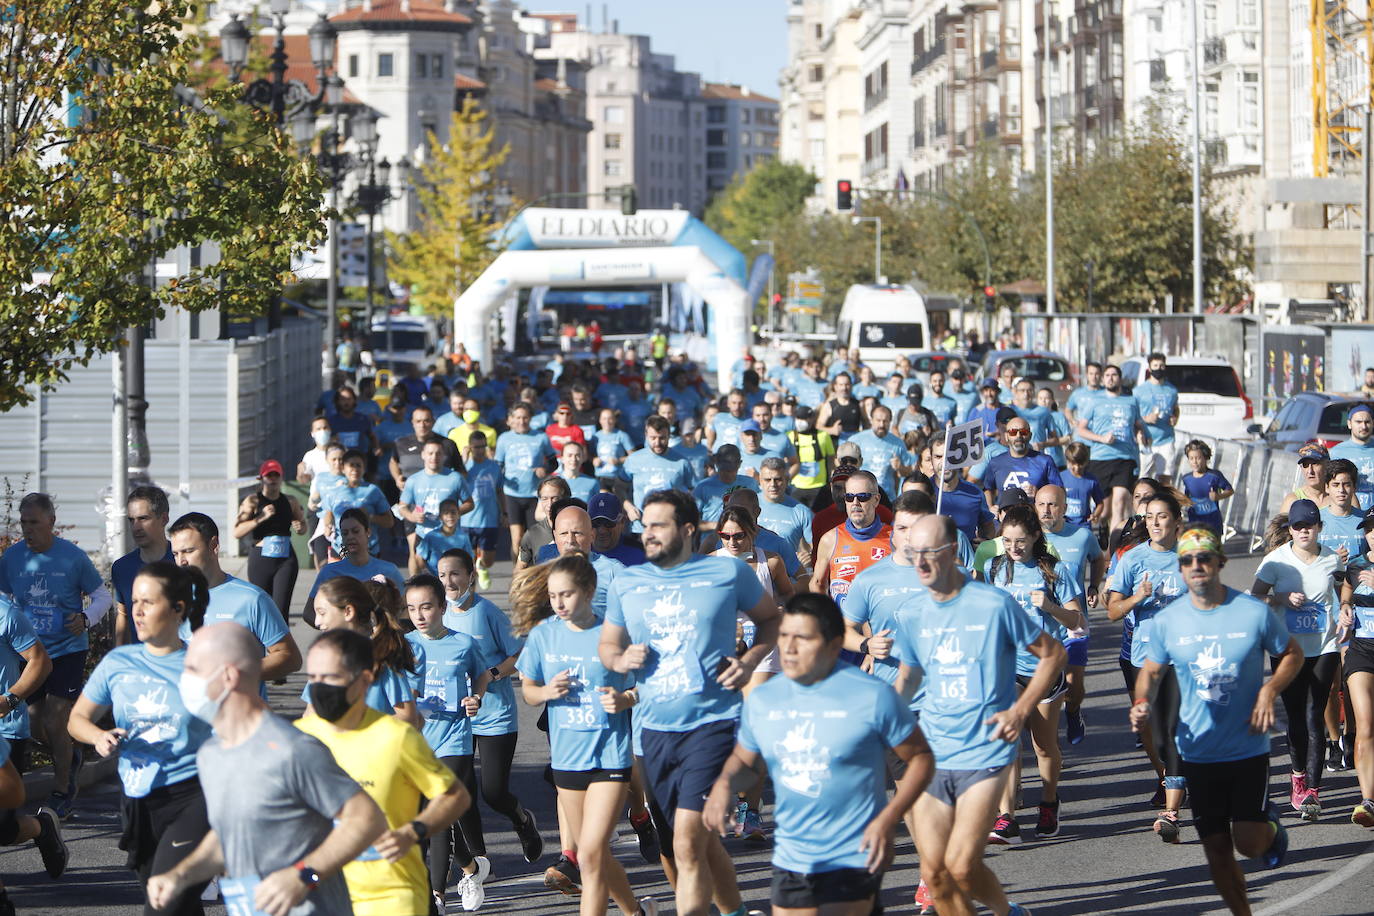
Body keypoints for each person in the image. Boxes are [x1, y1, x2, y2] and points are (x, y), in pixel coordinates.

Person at [599, 490, 781, 916]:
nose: (649, 533)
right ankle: (734, 911)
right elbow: (608, 644)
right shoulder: (628, 580)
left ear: (685, 530)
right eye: (645, 525)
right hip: (653, 732)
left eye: (659, 525)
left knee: (685, 841)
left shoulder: (728, 573)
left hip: (712, 725)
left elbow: (771, 620)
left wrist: (751, 658)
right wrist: (621, 657)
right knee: (696, 840)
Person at [703, 593, 934, 916]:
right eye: (784, 635)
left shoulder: (872, 695)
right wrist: (725, 785)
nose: (789, 647)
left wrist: (889, 818)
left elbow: (922, 758)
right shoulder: (765, 699)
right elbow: (744, 760)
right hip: (791, 856)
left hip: (853, 852)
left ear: (834, 643)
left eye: (803, 638)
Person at [146, 622, 387, 916]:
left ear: (228, 676)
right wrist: (180, 875)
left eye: (193, 668)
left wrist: (304, 875)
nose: (182, 678)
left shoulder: (290, 749)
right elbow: (230, 837)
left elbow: (367, 819)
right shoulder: (211, 755)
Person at [891, 515, 1065, 916]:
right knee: (936, 876)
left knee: (962, 867)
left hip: (985, 752)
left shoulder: (992, 604)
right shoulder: (912, 612)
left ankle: (1005, 911)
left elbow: (1052, 655)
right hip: (934, 753)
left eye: (928, 554)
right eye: (911, 553)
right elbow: (908, 676)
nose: (918, 563)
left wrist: (1021, 709)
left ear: (953, 553)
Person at [1131, 525, 1302, 914]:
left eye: (1204, 558)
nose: (1196, 566)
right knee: (1218, 852)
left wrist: (1269, 690)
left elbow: (1291, 654)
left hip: (1247, 748)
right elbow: (1151, 669)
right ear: (1180, 568)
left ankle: (1271, 829)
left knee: (1249, 844)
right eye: (1188, 560)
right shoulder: (1169, 621)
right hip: (1198, 753)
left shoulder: (1252, 611)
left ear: (1220, 563)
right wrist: (1142, 700)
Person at [512, 555, 657, 916]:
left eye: (567, 595)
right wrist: (546, 692)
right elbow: (528, 689)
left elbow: (647, 688)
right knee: (597, 856)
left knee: (590, 855)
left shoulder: (613, 634)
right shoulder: (544, 634)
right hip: (567, 759)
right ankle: (635, 912)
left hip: (610, 755)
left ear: (590, 591)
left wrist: (624, 699)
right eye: (553, 596)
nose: (558, 604)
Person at [69, 562, 214, 914]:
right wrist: (99, 737)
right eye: (134, 601)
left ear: (178, 608)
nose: (137, 610)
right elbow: (76, 719)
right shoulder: (119, 662)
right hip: (137, 799)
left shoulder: (202, 664)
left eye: (148, 602)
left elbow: (239, 729)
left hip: (193, 796)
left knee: (162, 903)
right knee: (176, 903)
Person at [296, 629, 469, 916]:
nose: (319, 687)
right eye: (313, 678)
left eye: (330, 678)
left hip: (391, 895)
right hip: (324, 893)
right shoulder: (298, 739)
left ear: (363, 681)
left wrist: (413, 831)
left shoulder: (396, 737)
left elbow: (455, 797)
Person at [0, 492, 112, 818]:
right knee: (35, 725)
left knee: (55, 718)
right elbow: (4, 596)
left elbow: (101, 596)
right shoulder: (12, 558)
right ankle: (71, 754)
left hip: (67, 650)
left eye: (34, 522)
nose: (28, 529)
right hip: (29, 652)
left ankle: (62, 789)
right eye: (23, 523)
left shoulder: (73, 558)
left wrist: (86, 618)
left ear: (51, 522)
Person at [980, 505, 1084, 842]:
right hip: (1005, 670)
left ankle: (1049, 802)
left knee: (1043, 746)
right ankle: (1006, 817)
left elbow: (1078, 622)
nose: (1014, 547)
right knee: (1008, 743)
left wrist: (1051, 607)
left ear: (1036, 536)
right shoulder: (994, 569)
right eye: (1007, 540)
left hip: (1043, 670)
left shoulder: (1053, 570)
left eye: (1021, 540)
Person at [437, 549, 545, 867]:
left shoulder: (487, 613)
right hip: (457, 717)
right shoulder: (439, 614)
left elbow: (519, 654)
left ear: (471, 575)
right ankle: (479, 859)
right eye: (442, 575)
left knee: (493, 792)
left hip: (495, 713)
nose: (449, 581)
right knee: (462, 789)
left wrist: (492, 673)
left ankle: (523, 821)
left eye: (455, 573)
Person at [403, 575, 492, 912]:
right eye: (412, 608)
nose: (419, 615)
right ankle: (471, 869)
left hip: (455, 740)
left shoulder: (463, 644)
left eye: (426, 606)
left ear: (442, 606)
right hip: (417, 742)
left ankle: (436, 898)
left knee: (437, 817)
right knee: (428, 819)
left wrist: (476, 698)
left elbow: (481, 675)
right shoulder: (405, 645)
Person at [1251, 500, 1343, 822]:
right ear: (1290, 529)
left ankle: (1314, 793)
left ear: (1319, 526)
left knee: (1314, 713)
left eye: (1310, 525)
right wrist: (1280, 598)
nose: (1304, 530)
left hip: (1324, 645)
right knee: (1295, 717)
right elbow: (1255, 596)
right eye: (1298, 526)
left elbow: (1343, 586)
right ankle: (1298, 775)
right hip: (1288, 649)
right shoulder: (1276, 561)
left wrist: (1345, 608)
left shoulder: (1332, 558)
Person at [1106, 492, 1188, 822]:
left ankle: (1171, 811)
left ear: (1176, 522)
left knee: (1174, 730)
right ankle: (1173, 782)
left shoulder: (1190, 557)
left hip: (1182, 657)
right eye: (1149, 517)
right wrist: (1138, 596)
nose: (1154, 522)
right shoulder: (1132, 559)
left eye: (1162, 516)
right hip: (1145, 658)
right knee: (1155, 731)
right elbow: (1113, 611)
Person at [168, 513, 302, 685]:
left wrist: (235, 674)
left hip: (239, 710)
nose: (181, 561)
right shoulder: (171, 599)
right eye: (175, 554)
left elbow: (290, 657)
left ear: (213, 545)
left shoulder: (251, 598)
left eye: (188, 551)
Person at [1035, 485, 1105, 747]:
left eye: (1052, 505)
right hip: (1041, 627)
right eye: (1041, 504)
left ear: (1065, 508)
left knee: (1074, 687)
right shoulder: (1030, 540)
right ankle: (1048, 746)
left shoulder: (1082, 536)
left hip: (1075, 623)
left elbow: (1098, 559)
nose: (1046, 510)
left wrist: (1094, 585)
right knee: (1045, 692)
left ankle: (1074, 711)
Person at [309, 577, 418, 725]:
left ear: (348, 612)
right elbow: (309, 714)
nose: (316, 622)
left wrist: (356, 727)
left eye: (322, 613)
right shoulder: (321, 660)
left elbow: (408, 717)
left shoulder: (381, 659)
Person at [1078, 365, 1151, 534]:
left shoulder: (1131, 401)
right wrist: (1101, 438)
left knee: (1120, 503)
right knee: (1104, 512)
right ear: (1103, 380)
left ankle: (1113, 554)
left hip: (1125, 457)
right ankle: (1103, 525)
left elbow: (1138, 423)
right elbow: (1081, 429)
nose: (1110, 378)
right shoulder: (1095, 402)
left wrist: (1144, 434)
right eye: (1107, 375)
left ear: (1120, 379)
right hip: (1100, 457)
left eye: (1114, 375)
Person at [232, 461, 306, 627]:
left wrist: (300, 526)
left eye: (276, 475)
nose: (272, 479)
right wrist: (260, 518)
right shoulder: (252, 501)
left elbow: (302, 526)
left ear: (281, 478)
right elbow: (237, 532)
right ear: (261, 478)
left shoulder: (290, 501)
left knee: (281, 610)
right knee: (261, 607)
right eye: (268, 475)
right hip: (261, 559)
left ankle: (284, 650)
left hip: (286, 559)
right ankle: (262, 649)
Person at [306, 509, 407, 625]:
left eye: (355, 531)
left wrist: (389, 629)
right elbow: (309, 612)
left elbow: (406, 608)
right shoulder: (329, 572)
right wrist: (334, 628)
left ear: (368, 532)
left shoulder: (389, 570)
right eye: (345, 533)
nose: (350, 537)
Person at [809, 471, 893, 608]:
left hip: (881, 624)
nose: (855, 503)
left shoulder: (894, 538)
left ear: (876, 500)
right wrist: (828, 617)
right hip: (844, 625)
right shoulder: (830, 539)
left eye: (863, 497)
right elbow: (817, 584)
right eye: (849, 497)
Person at [1338, 509, 1374, 826]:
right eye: (1370, 528)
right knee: (1365, 724)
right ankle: (1367, 801)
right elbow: (1345, 596)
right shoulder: (1357, 566)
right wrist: (1345, 609)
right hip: (1361, 651)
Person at [113, 485, 175, 647]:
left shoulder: (183, 563)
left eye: (143, 518)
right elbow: (123, 616)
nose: (135, 528)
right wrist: (119, 660)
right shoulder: (121, 568)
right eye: (131, 520)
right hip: (139, 664)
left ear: (164, 519)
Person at [397, 440, 474, 565]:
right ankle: (414, 584)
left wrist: (451, 514)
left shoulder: (455, 478)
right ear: (423, 455)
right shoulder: (414, 480)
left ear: (443, 456)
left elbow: (470, 503)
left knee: (448, 568)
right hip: (423, 531)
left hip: (448, 533)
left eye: (438, 453)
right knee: (417, 562)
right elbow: (402, 506)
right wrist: (412, 516)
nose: (434, 457)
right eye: (430, 453)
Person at [495, 403, 557, 553]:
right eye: (518, 417)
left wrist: (545, 469)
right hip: (512, 495)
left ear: (530, 418)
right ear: (511, 419)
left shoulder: (541, 437)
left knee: (534, 537)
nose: (521, 421)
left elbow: (553, 462)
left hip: (534, 495)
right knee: (517, 538)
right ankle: (518, 573)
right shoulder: (504, 438)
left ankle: (533, 571)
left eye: (525, 417)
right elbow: (498, 467)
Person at [319, 449, 394, 561]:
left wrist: (369, 517)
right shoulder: (334, 492)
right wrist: (328, 524)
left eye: (358, 465)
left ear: (364, 469)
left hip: (368, 550)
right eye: (351, 465)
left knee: (364, 579)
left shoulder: (373, 491)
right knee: (339, 578)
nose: (355, 469)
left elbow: (389, 522)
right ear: (343, 468)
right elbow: (328, 512)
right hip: (340, 549)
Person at [622, 417, 695, 526]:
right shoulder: (633, 459)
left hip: (671, 528)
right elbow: (619, 487)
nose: (657, 443)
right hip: (641, 528)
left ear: (669, 435)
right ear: (646, 435)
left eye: (662, 438)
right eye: (653, 438)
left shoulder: (682, 462)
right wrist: (628, 508)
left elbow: (692, 492)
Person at [459, 430, 502, 590]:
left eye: (483, 446)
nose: (480, 450)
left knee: (488, 560)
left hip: (489, 518)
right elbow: (457, 484)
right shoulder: (464, 466)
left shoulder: (493, 466)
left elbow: (499, 490)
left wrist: (503, 512)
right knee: (467, 562)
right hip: (467, 520)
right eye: (476, 447)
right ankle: (472, 594)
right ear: (470, 447)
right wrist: (463, 460)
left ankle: (482, 566)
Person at [930, 438, 996, 543]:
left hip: (966, 558)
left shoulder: (975, 492)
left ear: (960, 459)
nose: (944, 462)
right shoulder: (923, 490)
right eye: (938, 457)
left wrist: (984, 543)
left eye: (950, 457)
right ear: (931, 460)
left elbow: (987, 526)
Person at [982, 416, 1062, 498]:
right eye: (1013, 432)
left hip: (1034, 510)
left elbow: (1060, 492)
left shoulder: (1045, 461)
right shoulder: (995, 462)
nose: (1018, 436)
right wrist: (991, 507)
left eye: (1023, 432)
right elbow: (988, 489)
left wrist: (1039, 494)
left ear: (1030, 435)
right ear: (1006, 436)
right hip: (1005, 510)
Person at [849, 405, 915, 501]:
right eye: (878, 420)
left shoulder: (898, 443)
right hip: (862, 497)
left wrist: (900, 467)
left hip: (887, 498)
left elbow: (909, 472)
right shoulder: (856, 440)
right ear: (871, 420)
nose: (881, 425)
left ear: (890, 422)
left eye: (885, 421)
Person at [1133, 353, 1181, 483]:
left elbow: (1175, 408)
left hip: (1166, 439)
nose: (1158, 369)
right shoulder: (1139, 391)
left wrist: (1175, 418)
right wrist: (1146, 419)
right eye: (1155, 366)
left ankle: (1163, 502)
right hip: (1146, 440)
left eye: (1161, 366)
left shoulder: (1171, 390)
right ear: (1149, 368)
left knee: (1165, 478)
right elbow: (1132, 415)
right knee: (1143, 478)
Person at [692, 446, 760, 533]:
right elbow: (691, 521)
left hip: (744, 540)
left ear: (739, 464)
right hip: (712, 542)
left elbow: (759, 513)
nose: (728, 474)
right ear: (716, 464)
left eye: (732, 470)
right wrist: (720, 525)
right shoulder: (703, 487)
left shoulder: (751, 484)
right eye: (724, 469)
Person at [756, 458, 814, 562]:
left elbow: (818, 549)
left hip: (789, 576)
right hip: (753, 573)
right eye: (767, 480)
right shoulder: (748, 506)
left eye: (778, 479)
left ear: (787, 480)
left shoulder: (802, 512)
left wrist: (808, 557)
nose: (773, 484)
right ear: (760, 480)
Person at [516, 477, 573, 574]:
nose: (550, 504)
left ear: (566, 500)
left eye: (555, 498)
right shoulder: (532, 534)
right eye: (545, 499)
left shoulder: (580, 530)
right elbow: (519, 570)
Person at [786, 406, 835, 508]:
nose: (800, 421)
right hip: (796, 486)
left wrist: (830, 480)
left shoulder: (823, 436)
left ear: (812, 419)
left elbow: (831, 460)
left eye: (804, 418)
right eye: (798, 418)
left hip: (819, 487)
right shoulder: (789, 436)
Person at [1180, 440, 1234, 532]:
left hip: (1212, 522)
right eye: (1191, 458)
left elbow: (1230, 490)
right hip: (1194, 522)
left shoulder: (1214, 476)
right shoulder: (1186, 478)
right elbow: (1187, 497)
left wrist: (1218, 496)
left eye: (1198, 458)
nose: (1195, 462)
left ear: (1206, 458)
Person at [1330, 403, 1374, 510]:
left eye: (1367, 422)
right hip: (1350, 513)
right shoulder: (1336, 452)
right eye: (1358, 422)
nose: (1363, 426)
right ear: (1349, 424)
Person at [1319, 459, 1366, 559]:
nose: (1341, 490)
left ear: (1354, 487)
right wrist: (1331, 560)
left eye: (1346, 484)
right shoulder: (1316, 520)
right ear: (1327, 488)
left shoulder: (1366, 520)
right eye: (1335, 485)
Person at [1061, 442, 1105, 529]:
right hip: (1064, 525)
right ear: (1068, 461)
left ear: (1086, 462)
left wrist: (1095, 515)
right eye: (1073, 464)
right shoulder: (1060, 477)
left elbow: (1100, 503)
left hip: (1084, 526)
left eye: (1080, 464)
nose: (1077, 468)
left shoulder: (1091, 480)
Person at [817, 372, 866, 440]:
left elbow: (867, 424)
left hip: (854, 444)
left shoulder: (859, 405)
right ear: (835, 387)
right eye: (841, 385)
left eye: (847, 384)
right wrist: (831, 430)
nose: (844, 388)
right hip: (835, 446)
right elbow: (818, 426)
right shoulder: (829, 405)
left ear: (851, 386)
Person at [1282, 442, 1330, 512]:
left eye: (1315, 463)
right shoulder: (1293, 501)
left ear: (1327, 465)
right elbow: (1278, 522)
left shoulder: (1338, 498)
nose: (1310, 471)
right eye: (1305, 465)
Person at [1065, 362, 1104, 437]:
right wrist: (1072, 421)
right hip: (1081, 438)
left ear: (1101, 375)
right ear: (1087, 375)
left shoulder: (1107, 394)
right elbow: (1068, 410)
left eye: (1097, 374)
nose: (1094, 377)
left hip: (1100, 437)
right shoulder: (1078, 393)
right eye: (1091, 374)